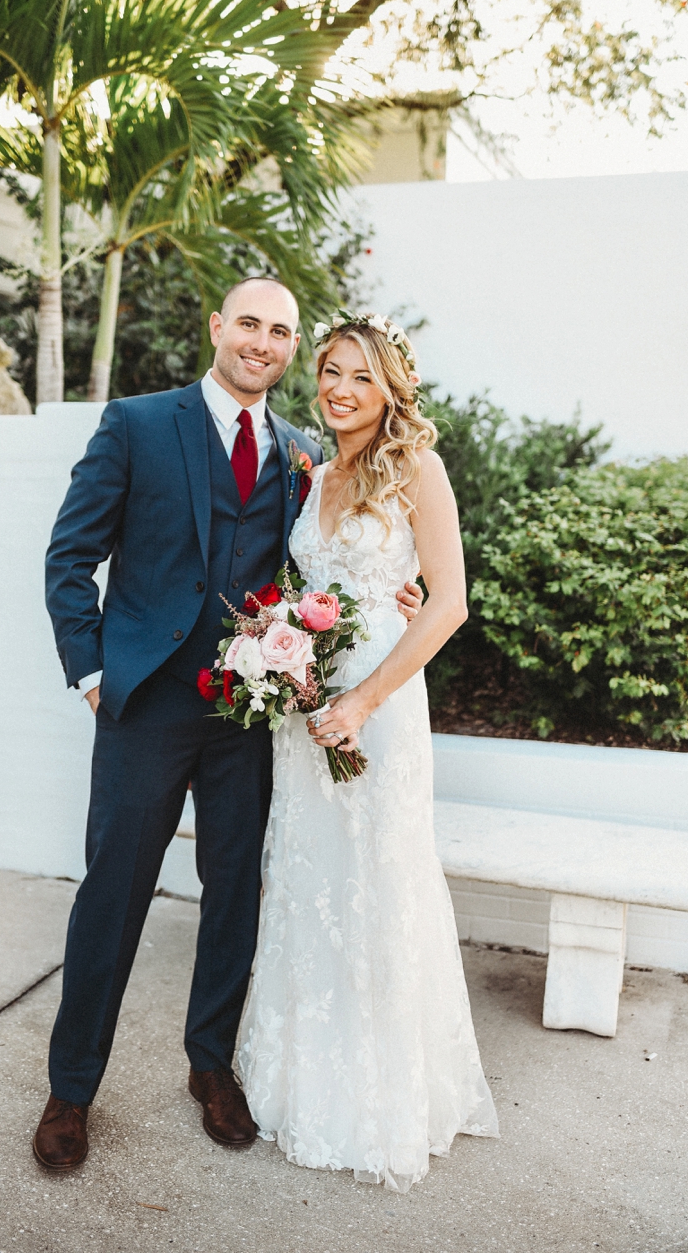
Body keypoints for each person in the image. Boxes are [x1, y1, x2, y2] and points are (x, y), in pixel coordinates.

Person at [34, 278, 422, 1169]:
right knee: (114, 892)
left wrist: (403, 597)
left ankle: (210, 1065)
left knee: (236, 893)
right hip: (147, 706)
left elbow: (324, 573)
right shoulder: (136, 423)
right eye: (249, 323)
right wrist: (93, 674)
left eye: (281, 331)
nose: (263, 342)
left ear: (291, 348)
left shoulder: (299, 453)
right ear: (216, 327)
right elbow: (70, 556)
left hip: (253, 714)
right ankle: (71, 1088)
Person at [237, 312, 499, 1192]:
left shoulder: (416, 468)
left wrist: (361, 699)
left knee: (379, 882)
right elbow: (310, 587)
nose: (341, 389)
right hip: (304, 706)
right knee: (312, 878)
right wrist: (281, 655)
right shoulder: (314, 470)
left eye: (360, 376)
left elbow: (448, 601)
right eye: (331, 373)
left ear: (391, 388)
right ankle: (302, 1076)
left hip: (377, 706)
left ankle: (382, 1095)